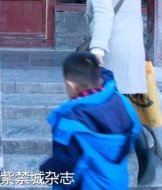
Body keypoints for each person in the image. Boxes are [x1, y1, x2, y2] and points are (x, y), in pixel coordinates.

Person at [39, 52, 148, 190]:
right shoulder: (122, 102)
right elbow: (135, 133)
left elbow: (64, 170)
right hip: (117, 183)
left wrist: (45, 171)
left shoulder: (70, 124)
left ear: (71, 85)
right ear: (99, 79)